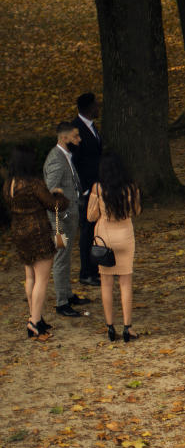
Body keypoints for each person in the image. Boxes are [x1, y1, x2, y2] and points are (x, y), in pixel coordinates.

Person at [3, 145, 70, 339]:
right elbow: (53, 204)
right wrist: (60, 195)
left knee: (30, 276)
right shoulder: (33, 184)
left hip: (19, 231)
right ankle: (34, 322)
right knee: (41, 279)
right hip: (37, 232)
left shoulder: (9, 184)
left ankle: (35, 316)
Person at [86, 153, 141, 342]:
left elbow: (90, 216)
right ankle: (128, 327)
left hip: (105, 237)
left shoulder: (98, 188)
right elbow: (136, 210)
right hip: (125, 234)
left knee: (106, 283)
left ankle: (110, 326)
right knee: (126, 283)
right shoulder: (131, 187)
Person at [43, 121, 92, 317]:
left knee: (66, 256)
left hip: (68, 217)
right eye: (75, 137)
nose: (79, 140)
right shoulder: (56, 160)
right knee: (61, 257)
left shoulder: (66, 156)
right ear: (64, 138)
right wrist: (61, 219)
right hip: (59, 222)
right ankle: (62, 302)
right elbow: (51, 192)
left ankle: (68, 294)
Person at [71, 92, 103, 288]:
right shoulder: (77, 129)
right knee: (87, 230)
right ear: (90, 108)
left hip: (96, 187)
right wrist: (82, 189)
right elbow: (74, 160)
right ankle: (86, 272)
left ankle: (95, 268)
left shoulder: (91, 127)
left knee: (95, 229)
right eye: (96, 104)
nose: (99, 107)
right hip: (86, 189)